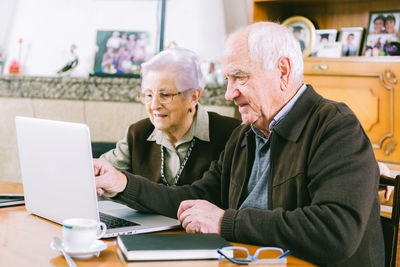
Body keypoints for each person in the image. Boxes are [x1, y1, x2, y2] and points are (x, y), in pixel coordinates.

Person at [94, 22, 384, 266]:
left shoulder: (336, 126)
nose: (229, 93)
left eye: (239, 77)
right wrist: (122, 184)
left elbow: (335, 232)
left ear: (283, 71)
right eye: (227, 79)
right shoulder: (245, 135)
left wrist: (225, 222)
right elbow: (193, 198)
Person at [100, 47, 240, 186]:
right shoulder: (138, 134)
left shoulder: (232, 135)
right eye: (148, 95)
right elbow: (100, 174)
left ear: (193, 96)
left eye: (165, 95)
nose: (154, 105)